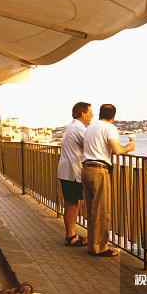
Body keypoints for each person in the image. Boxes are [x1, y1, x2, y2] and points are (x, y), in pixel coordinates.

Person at [81, 103, 135, 257]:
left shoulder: (90, 128)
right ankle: (100, 247)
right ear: (113, 116)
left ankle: (92, 245)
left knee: (92, 210)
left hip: (86, 169)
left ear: (100, 113)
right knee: (102, 210)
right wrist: (128, 147)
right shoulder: (109, 128)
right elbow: (117, 149)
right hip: (99, 170)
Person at [57, 101, 93, 247]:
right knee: (71, 204)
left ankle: (71, 234)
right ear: (82, 113)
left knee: (76, 202)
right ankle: (70, 236)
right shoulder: (79, 128)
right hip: (72, 171)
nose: (92, 115)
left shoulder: (74, 127)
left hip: (70, 171)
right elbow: (90, 146)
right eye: (90, 112)